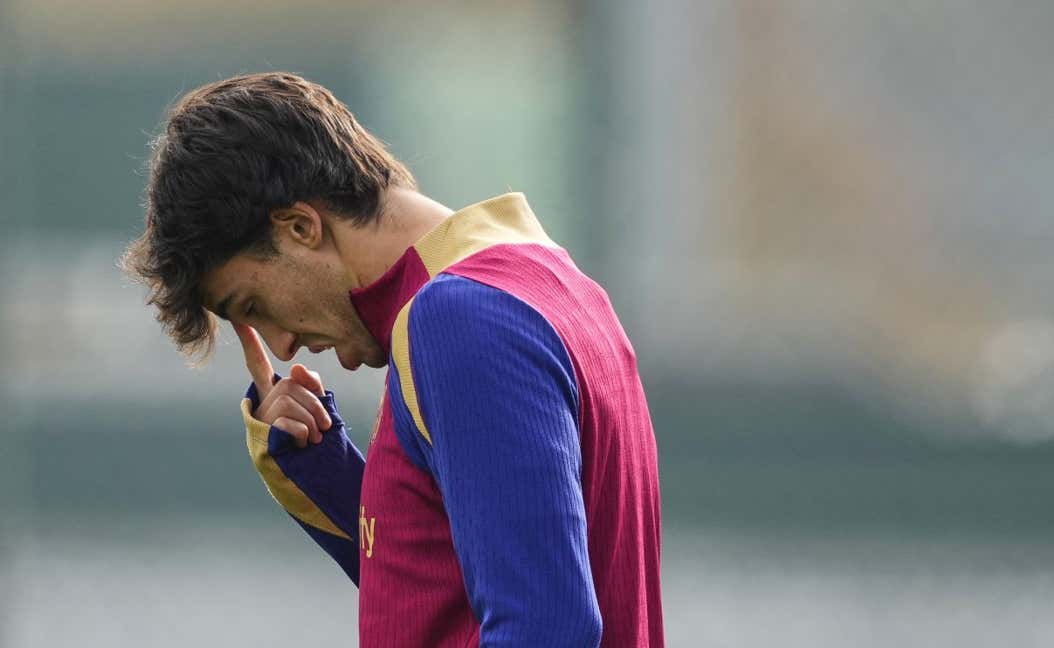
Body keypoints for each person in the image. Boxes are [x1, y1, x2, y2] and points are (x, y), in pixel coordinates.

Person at [120, 72, 663, 647]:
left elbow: (548, 628)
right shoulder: (542, 281)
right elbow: (457, 588)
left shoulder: (461, 319)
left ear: (301, 228)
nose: (281, 346)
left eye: (254, 304)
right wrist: (317, 467)